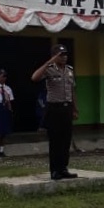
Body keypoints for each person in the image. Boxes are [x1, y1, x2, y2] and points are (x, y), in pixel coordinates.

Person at [31, 44, 79, 180]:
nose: (64, 57)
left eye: (65, 55)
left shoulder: (69, 70)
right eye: (61, 55)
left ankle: (64, 168)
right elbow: (34, 78)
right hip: (54, 109)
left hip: (67, 108)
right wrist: (48, 62)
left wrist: (75, 108)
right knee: (55, 141)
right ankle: (55, 170)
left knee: (66, 140)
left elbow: (72, 90)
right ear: (54, 56)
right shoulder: (49, 69)